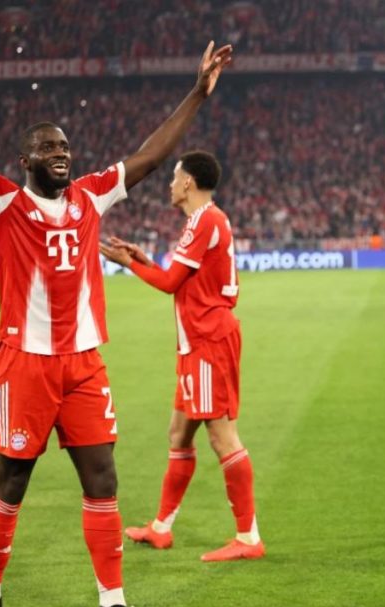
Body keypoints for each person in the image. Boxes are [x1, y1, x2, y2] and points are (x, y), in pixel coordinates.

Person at [0, 42, 233, 607]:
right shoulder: (3, 200)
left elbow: (151, 154)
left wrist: (197, 94)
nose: (60, 154)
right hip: (27, 364)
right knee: (12, 481)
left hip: (85, 366)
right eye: (47, 147)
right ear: (25, 159)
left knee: (104, 481)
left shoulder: (92, 195)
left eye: (65, 146)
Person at [99, 151, 263, 561]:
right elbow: (186, 280)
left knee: (221, 437)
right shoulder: (204, 221)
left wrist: (128, 265)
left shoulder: (205, 219)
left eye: (174, 177)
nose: (170, 184)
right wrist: (142, 258)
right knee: (179, 434)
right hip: (198, 344)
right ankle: (161, 528)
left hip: (208, 341)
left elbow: (172, 282)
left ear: (188, 181)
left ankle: (248, 537)